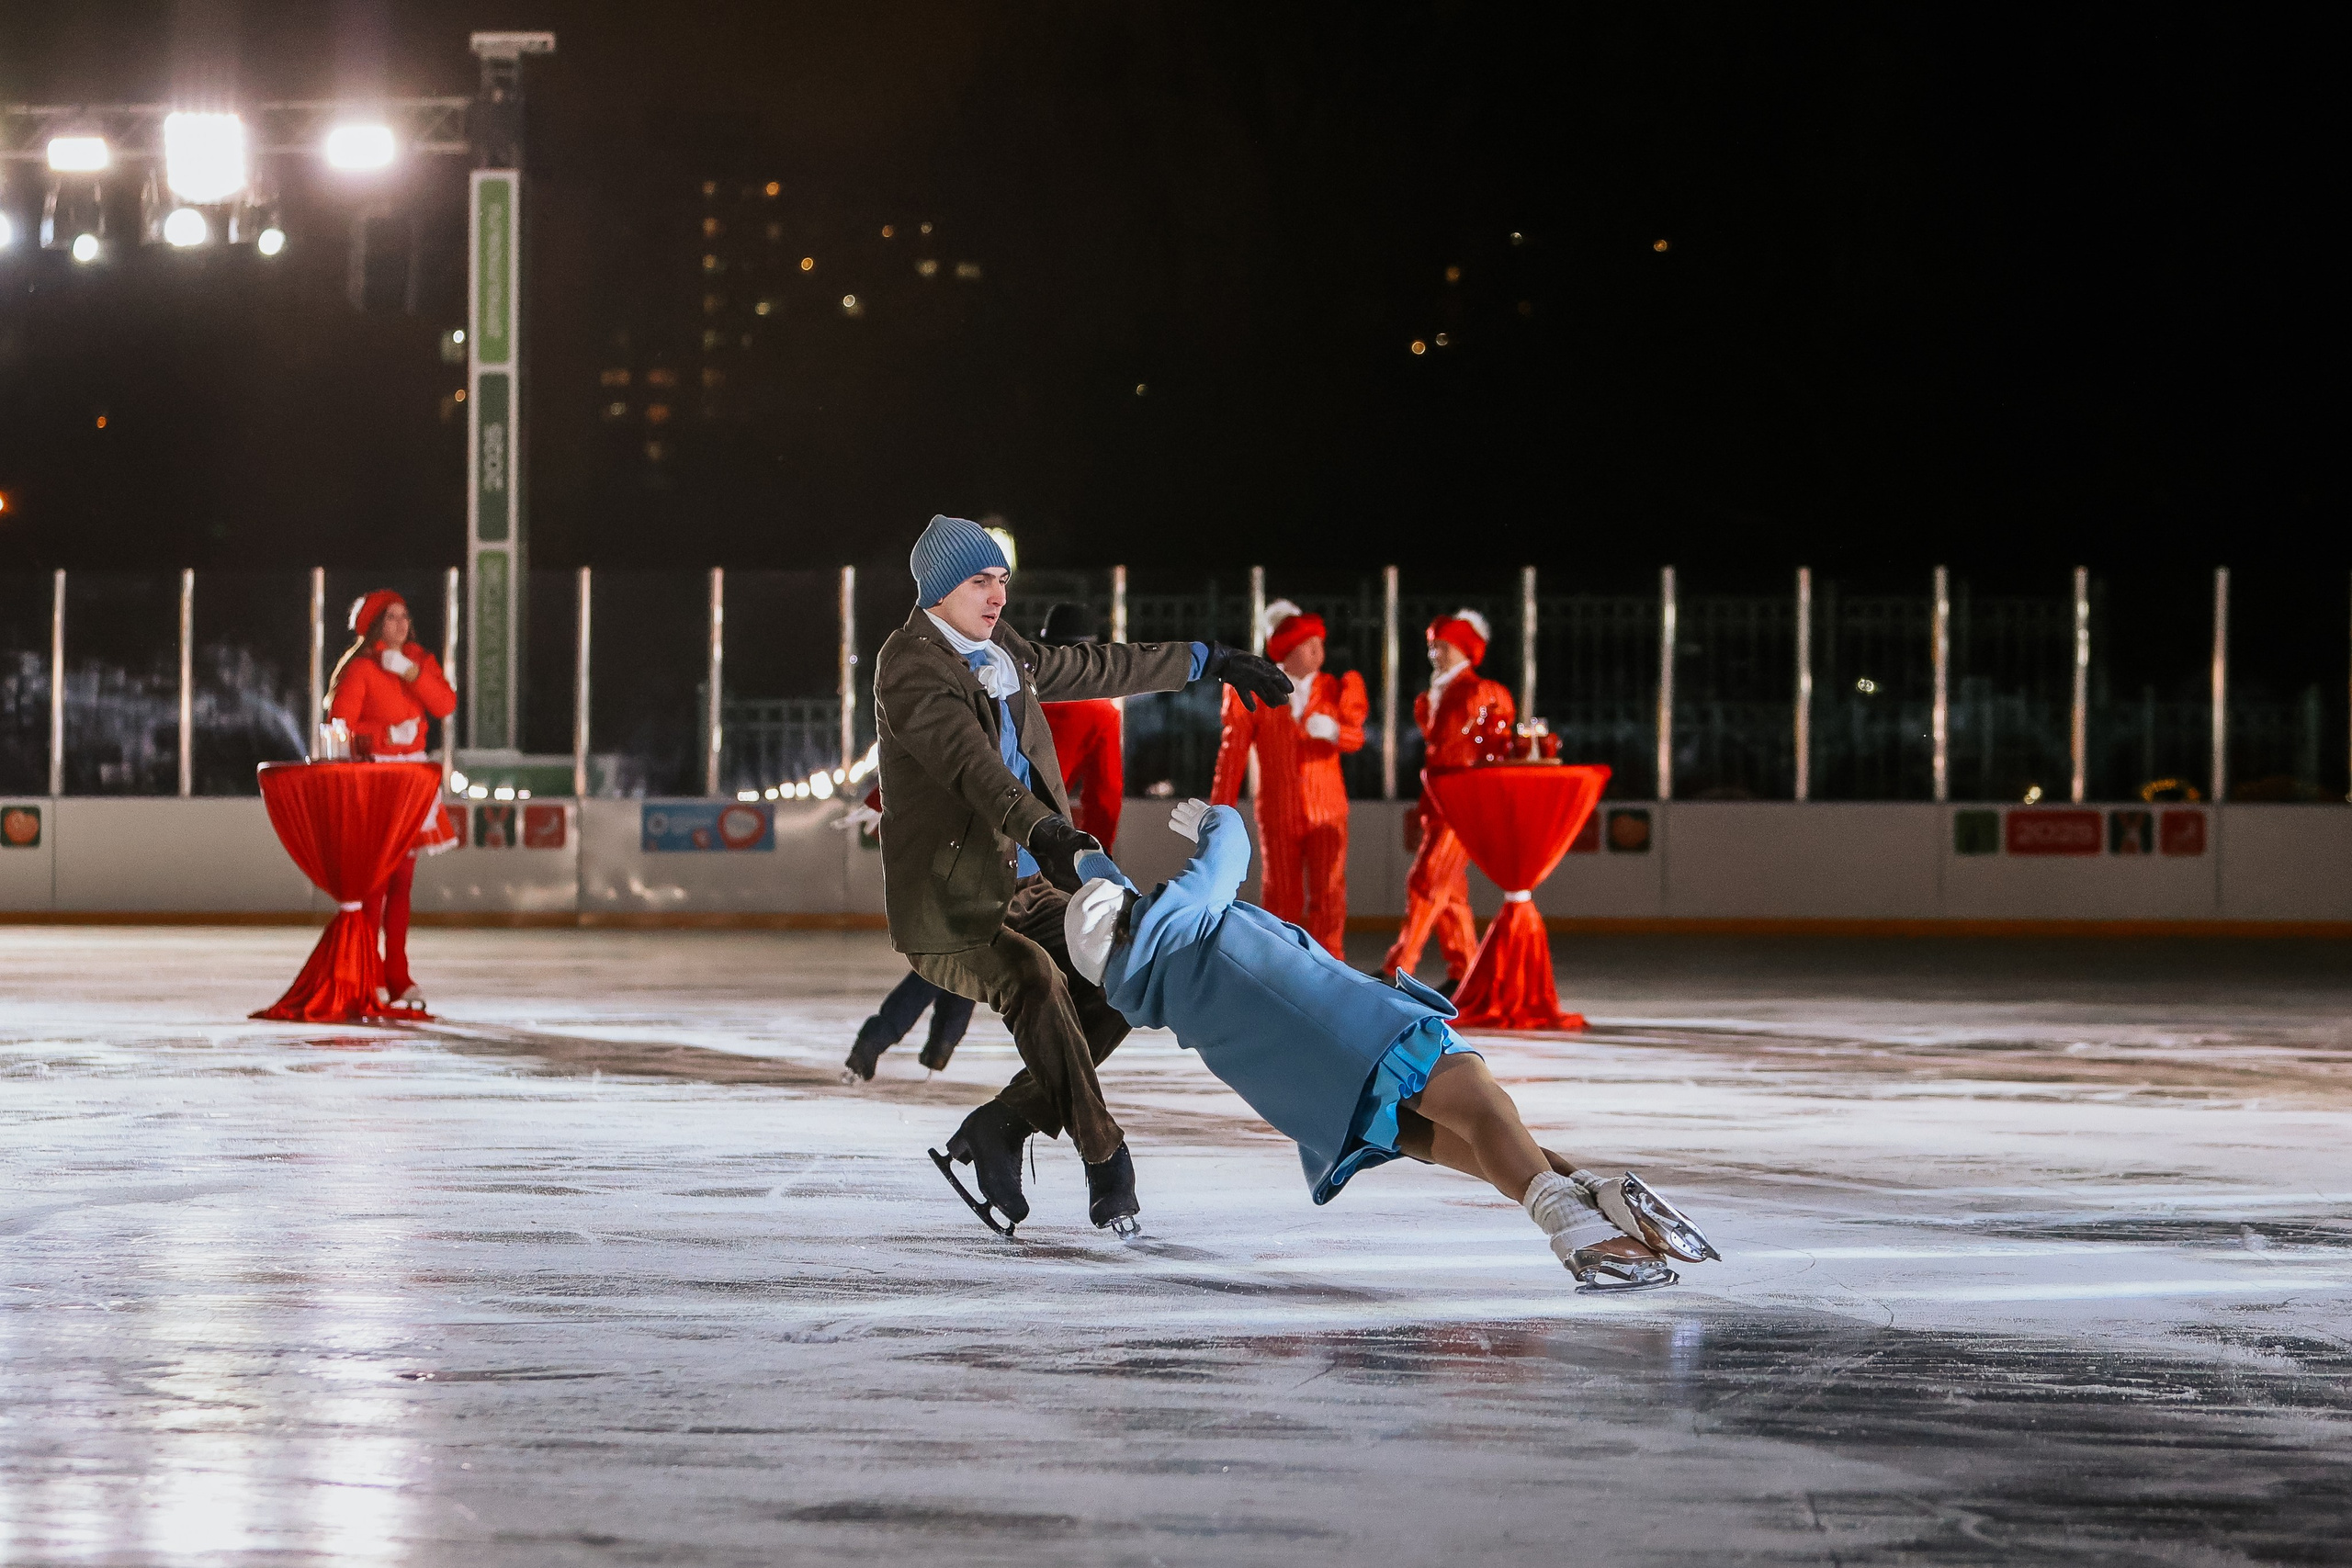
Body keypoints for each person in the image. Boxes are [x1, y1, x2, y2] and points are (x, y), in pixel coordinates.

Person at [1062, 800, 1719, 1287]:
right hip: (1350, 1025)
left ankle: (1588, 1191)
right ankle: (1572, 1220)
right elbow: (1229, 839)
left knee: (1462, 1141)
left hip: (1313, 1098)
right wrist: (1208, 817)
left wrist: (1083, 853)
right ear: (1133, 913)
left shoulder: (1142, 987)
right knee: (1482, 1103)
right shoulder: (1184, 915)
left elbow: (1109, 901)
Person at [874, 514, 1290, 1236]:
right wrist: (1055, 834)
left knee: (1128, 973)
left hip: (1033, 887)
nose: (998, 595)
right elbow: (979, 776)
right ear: (940, 589)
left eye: (1003, 580)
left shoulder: (998, 646)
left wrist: (1207, 659)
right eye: (981, 581)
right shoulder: (910, 665)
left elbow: (1093, 667)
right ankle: (1107, 1157)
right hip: (954, 906)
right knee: (1033, 977)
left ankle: (1004, 1123)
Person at [1209, 600, 1367, 957]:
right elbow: (1232, 752)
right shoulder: (1256, 691)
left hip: (1328, 811)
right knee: (1280, 893)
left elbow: (1358, 737)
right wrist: (1220, 809)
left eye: (1320, 643)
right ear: (1289, 649)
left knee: (1329, 893)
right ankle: (1282, 963)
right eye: (1310, 643)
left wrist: (1334, 733)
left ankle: (1332, 965)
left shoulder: (1336, 687)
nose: (1319, 650)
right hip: (1278, 810)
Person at [327, 589, 459, 1019]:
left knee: (402, 882)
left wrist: (408, 671)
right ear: (373, 626)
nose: (401, 625)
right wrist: (384, 738)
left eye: (405, 616)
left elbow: (445, 703)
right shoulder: (361, 669)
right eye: (390, 618)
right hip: (376, 779)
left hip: (413, 781)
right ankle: (371, 973)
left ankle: (397, 973)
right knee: (376, 884)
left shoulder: (419, 661)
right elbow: (339, 727)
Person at [1384, 609, 1515, 992]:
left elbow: (1491, 747)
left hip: (1463, 802)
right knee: (1450, 893)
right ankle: (1466, 974)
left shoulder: (1480, 692)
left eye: (1444, 646)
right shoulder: (1432, 696)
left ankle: (1398, 968)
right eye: (1433, 646)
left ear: (1466, 649)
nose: (1435, 654)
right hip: (1438, 801)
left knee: (1426, 881)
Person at [1035, 604, 1125, 851]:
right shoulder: (1100, 712)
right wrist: (1098, 857)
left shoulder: (1009, 687)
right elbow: (1104, 796)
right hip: (1033, 830)